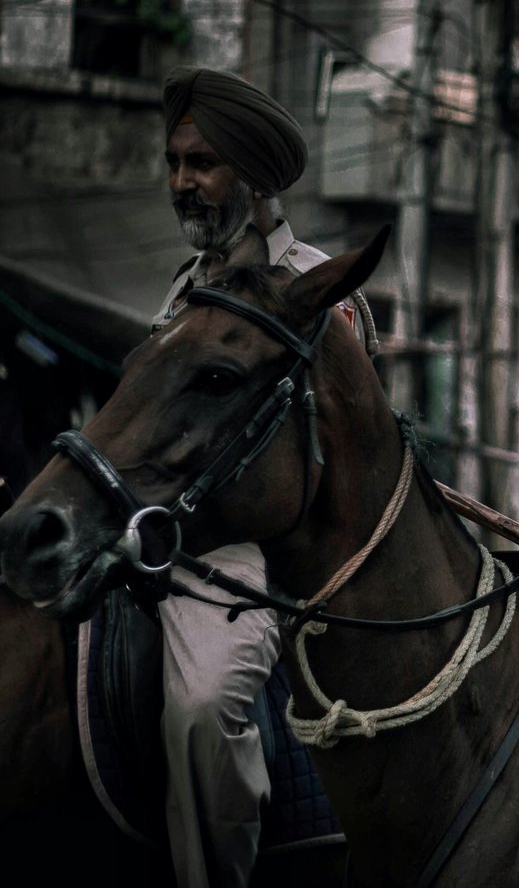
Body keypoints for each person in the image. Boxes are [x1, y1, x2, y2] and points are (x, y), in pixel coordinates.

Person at [152, 65, 371, 887]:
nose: (183, 183)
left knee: (202, 707)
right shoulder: (181, 294)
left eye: (202, 163)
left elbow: (346, 461)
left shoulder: (317, 290)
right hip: (159, 542)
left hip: (258, 560)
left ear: (253, 176)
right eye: (174, 163)